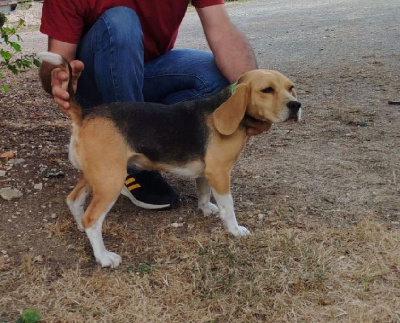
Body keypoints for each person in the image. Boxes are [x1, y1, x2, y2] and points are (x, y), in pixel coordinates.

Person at [39, 0, 271, 210]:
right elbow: (57, 59)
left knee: (215, 78)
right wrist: (59, 79)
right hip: (95, 87)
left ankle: (155, 143)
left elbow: (223, 32)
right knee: (122, 21)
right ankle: (129, 164)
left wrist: (250, 100)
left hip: (147, 72)